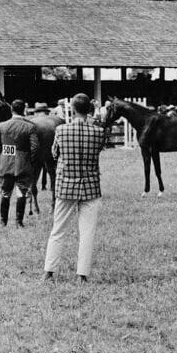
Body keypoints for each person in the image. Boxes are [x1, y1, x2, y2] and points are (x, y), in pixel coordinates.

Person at [43, 93, 108, 282]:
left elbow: (54, 154)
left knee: (58, 230)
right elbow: (98, 150)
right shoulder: (98, 131)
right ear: (89, 110)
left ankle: (49, 271)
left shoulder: (61, 130)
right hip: (90, 185)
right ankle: (82, 274)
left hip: (66, 185)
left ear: (72, 109)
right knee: (87, 233)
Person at [0, 99, 39, 227]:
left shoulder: (2, 125)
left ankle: (3, 221)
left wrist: (0, 152)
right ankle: (19, 222)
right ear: (24, 110)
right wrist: (29, 161)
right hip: (22, 164)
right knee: (21, 192)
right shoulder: (30, 127)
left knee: (5, 193)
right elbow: (35, 147)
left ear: (11, 110)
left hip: (5, 163)